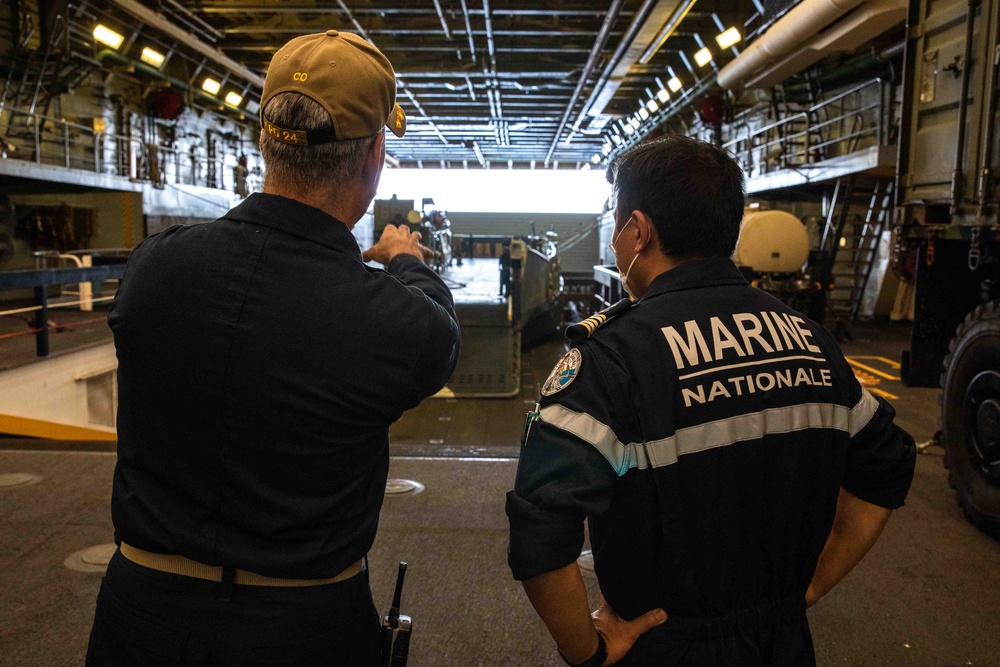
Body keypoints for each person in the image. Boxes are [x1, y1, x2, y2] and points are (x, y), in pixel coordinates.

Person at [87, 31, 460, 666]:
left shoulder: (154, 269)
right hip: (303, 628)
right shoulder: (388, 320)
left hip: (138, 614)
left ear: (266, 140)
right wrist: (405, 261)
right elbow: (438, 334)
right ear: (374, 156)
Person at [506, 135, 915, 666]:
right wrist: (808, 590)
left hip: (663, 647)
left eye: (615, 225)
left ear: (639, 231)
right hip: (784, 645)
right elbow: (887, 467)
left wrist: (588, 650)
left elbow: (541, 531)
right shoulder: (814, 342)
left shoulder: (611, 362)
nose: (612, 242)